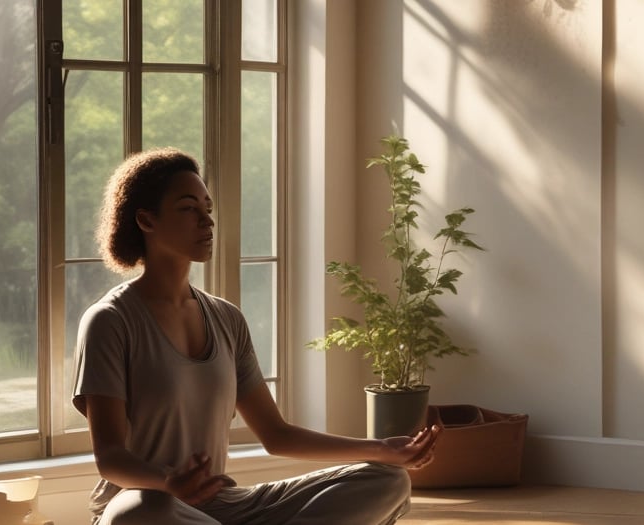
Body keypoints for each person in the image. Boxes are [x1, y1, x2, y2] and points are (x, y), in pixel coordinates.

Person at [72, 147, 440, 525]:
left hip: (223, 507)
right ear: (146, 220)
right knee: (138, 512)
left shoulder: (226, 318)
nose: (207, 221)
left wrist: (381, 449)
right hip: (150, 506)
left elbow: (276, 435)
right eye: (188, 208)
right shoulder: (109, 321)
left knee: (386, 480)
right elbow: (111, 458)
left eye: (208, 208)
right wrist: (169, 482)